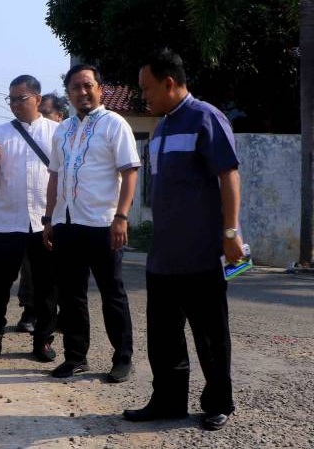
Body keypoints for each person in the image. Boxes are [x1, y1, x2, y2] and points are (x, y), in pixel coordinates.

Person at [123, 49, 243, 431]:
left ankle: (218, 402)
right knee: (163, 336)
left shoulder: (206, 118)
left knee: (210, 336)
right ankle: (168, 401)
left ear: (169, 83)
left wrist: (230, 232)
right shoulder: (161, 128)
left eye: (148, 88)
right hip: (163, 256)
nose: (145, 97)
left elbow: (229, 175)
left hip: (202, 253)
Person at [43, 64, 140, 383]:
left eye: (87, 85)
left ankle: (122, 357)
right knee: (71, 295)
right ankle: (75, 357)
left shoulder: (115, 125)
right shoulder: (63, 129)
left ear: (99, 88)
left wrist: (121, 216)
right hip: (67, 223)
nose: (81, 92)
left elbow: (130, 172)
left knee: (112, 292)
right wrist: (49, 218)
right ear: (68, 93)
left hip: (102, 223)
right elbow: (54, 176)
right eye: (74, 87)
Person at [0, 75, 59, 361]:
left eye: (21, 98)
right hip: (6, 222)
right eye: (11, 99)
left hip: (44, 222)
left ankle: (43, 340)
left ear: (37, 98)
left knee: (46, 284)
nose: (15, 104)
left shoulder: (57, 132)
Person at [15, 92, 68, 333]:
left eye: (46, 113)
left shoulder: (66, 138)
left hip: (64, 212)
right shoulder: (25, 135)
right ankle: (30, 309)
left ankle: (61, 314)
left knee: (63, 267)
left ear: (60, 116)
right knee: (30, 267)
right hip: (35, 212)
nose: (41, 117)